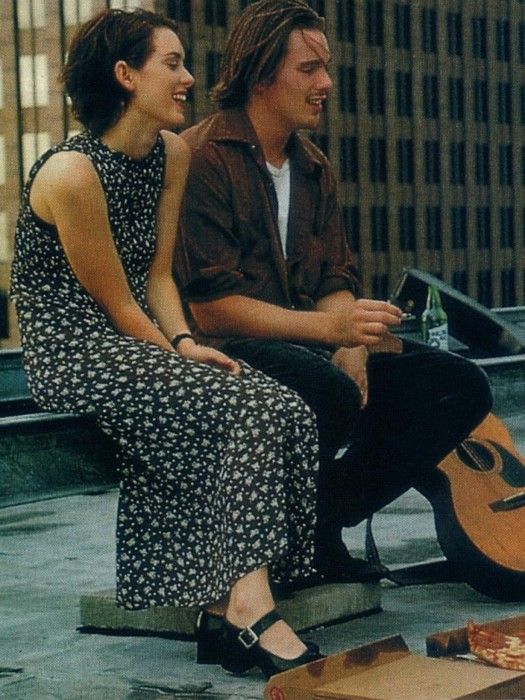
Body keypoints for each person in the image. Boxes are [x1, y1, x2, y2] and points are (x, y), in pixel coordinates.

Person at [10, 8, 324, 678]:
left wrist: (183, 341)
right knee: (246, 407)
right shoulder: (72, 174)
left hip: (139, 339)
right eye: (171, 63)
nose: (187, 78)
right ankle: (250, 609)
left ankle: (219, 612)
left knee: (289, 407)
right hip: (75, 352)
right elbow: (114, 300)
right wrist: (176, 359)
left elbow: (156, 276)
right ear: (125, 75)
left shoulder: (170, 154)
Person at [175, 0, 494, 583]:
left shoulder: (314, 165)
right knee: (327, 388)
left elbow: (332, 280)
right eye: (309, 69)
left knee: (458, 385)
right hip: (226, 351)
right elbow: (211, 308)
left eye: (327, 66)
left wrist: (350, 341)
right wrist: (330, 334)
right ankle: (301, 542)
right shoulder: (201, 158)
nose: (326, 83)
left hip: (310, 345)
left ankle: (322, 520)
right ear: (261, 72)